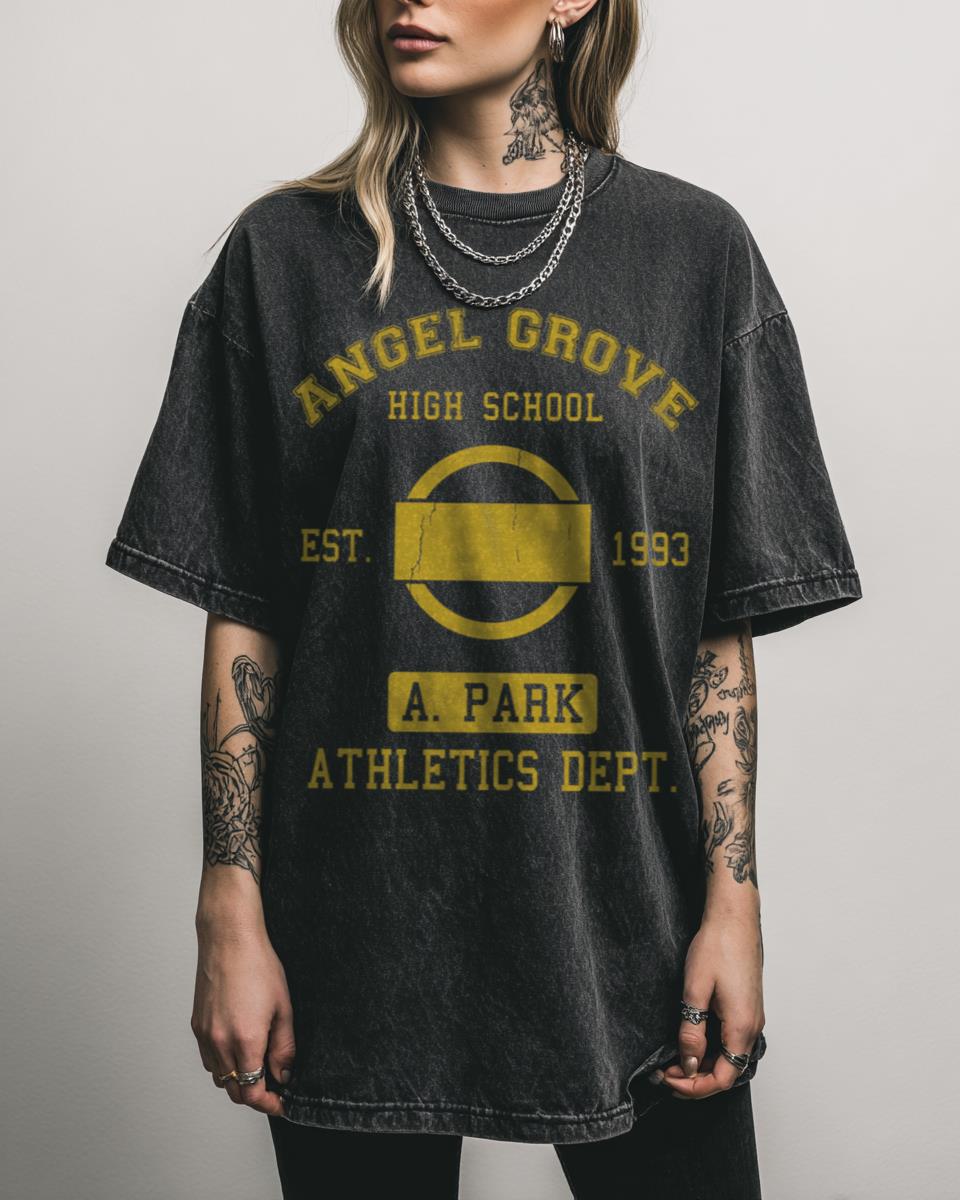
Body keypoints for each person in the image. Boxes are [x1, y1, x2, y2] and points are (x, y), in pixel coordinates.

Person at [104, 0, 863, 1195]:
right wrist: (229, 906)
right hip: (352, 926)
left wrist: (735, 902)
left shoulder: (694, 252)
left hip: (630, 918)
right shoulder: (284, 255)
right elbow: (245, 608)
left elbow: (715, 632)